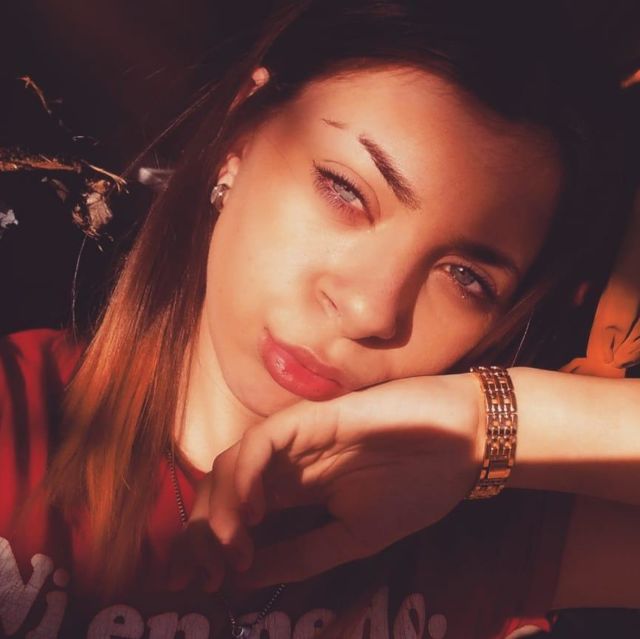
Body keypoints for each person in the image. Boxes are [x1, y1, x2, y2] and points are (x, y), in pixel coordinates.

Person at [1, 1, 639, 638]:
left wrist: (485, 423)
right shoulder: (18, 419)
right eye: (345, 191)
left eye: (465, 277)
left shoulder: (472, 529)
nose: (370, 311)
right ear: (239, 139)